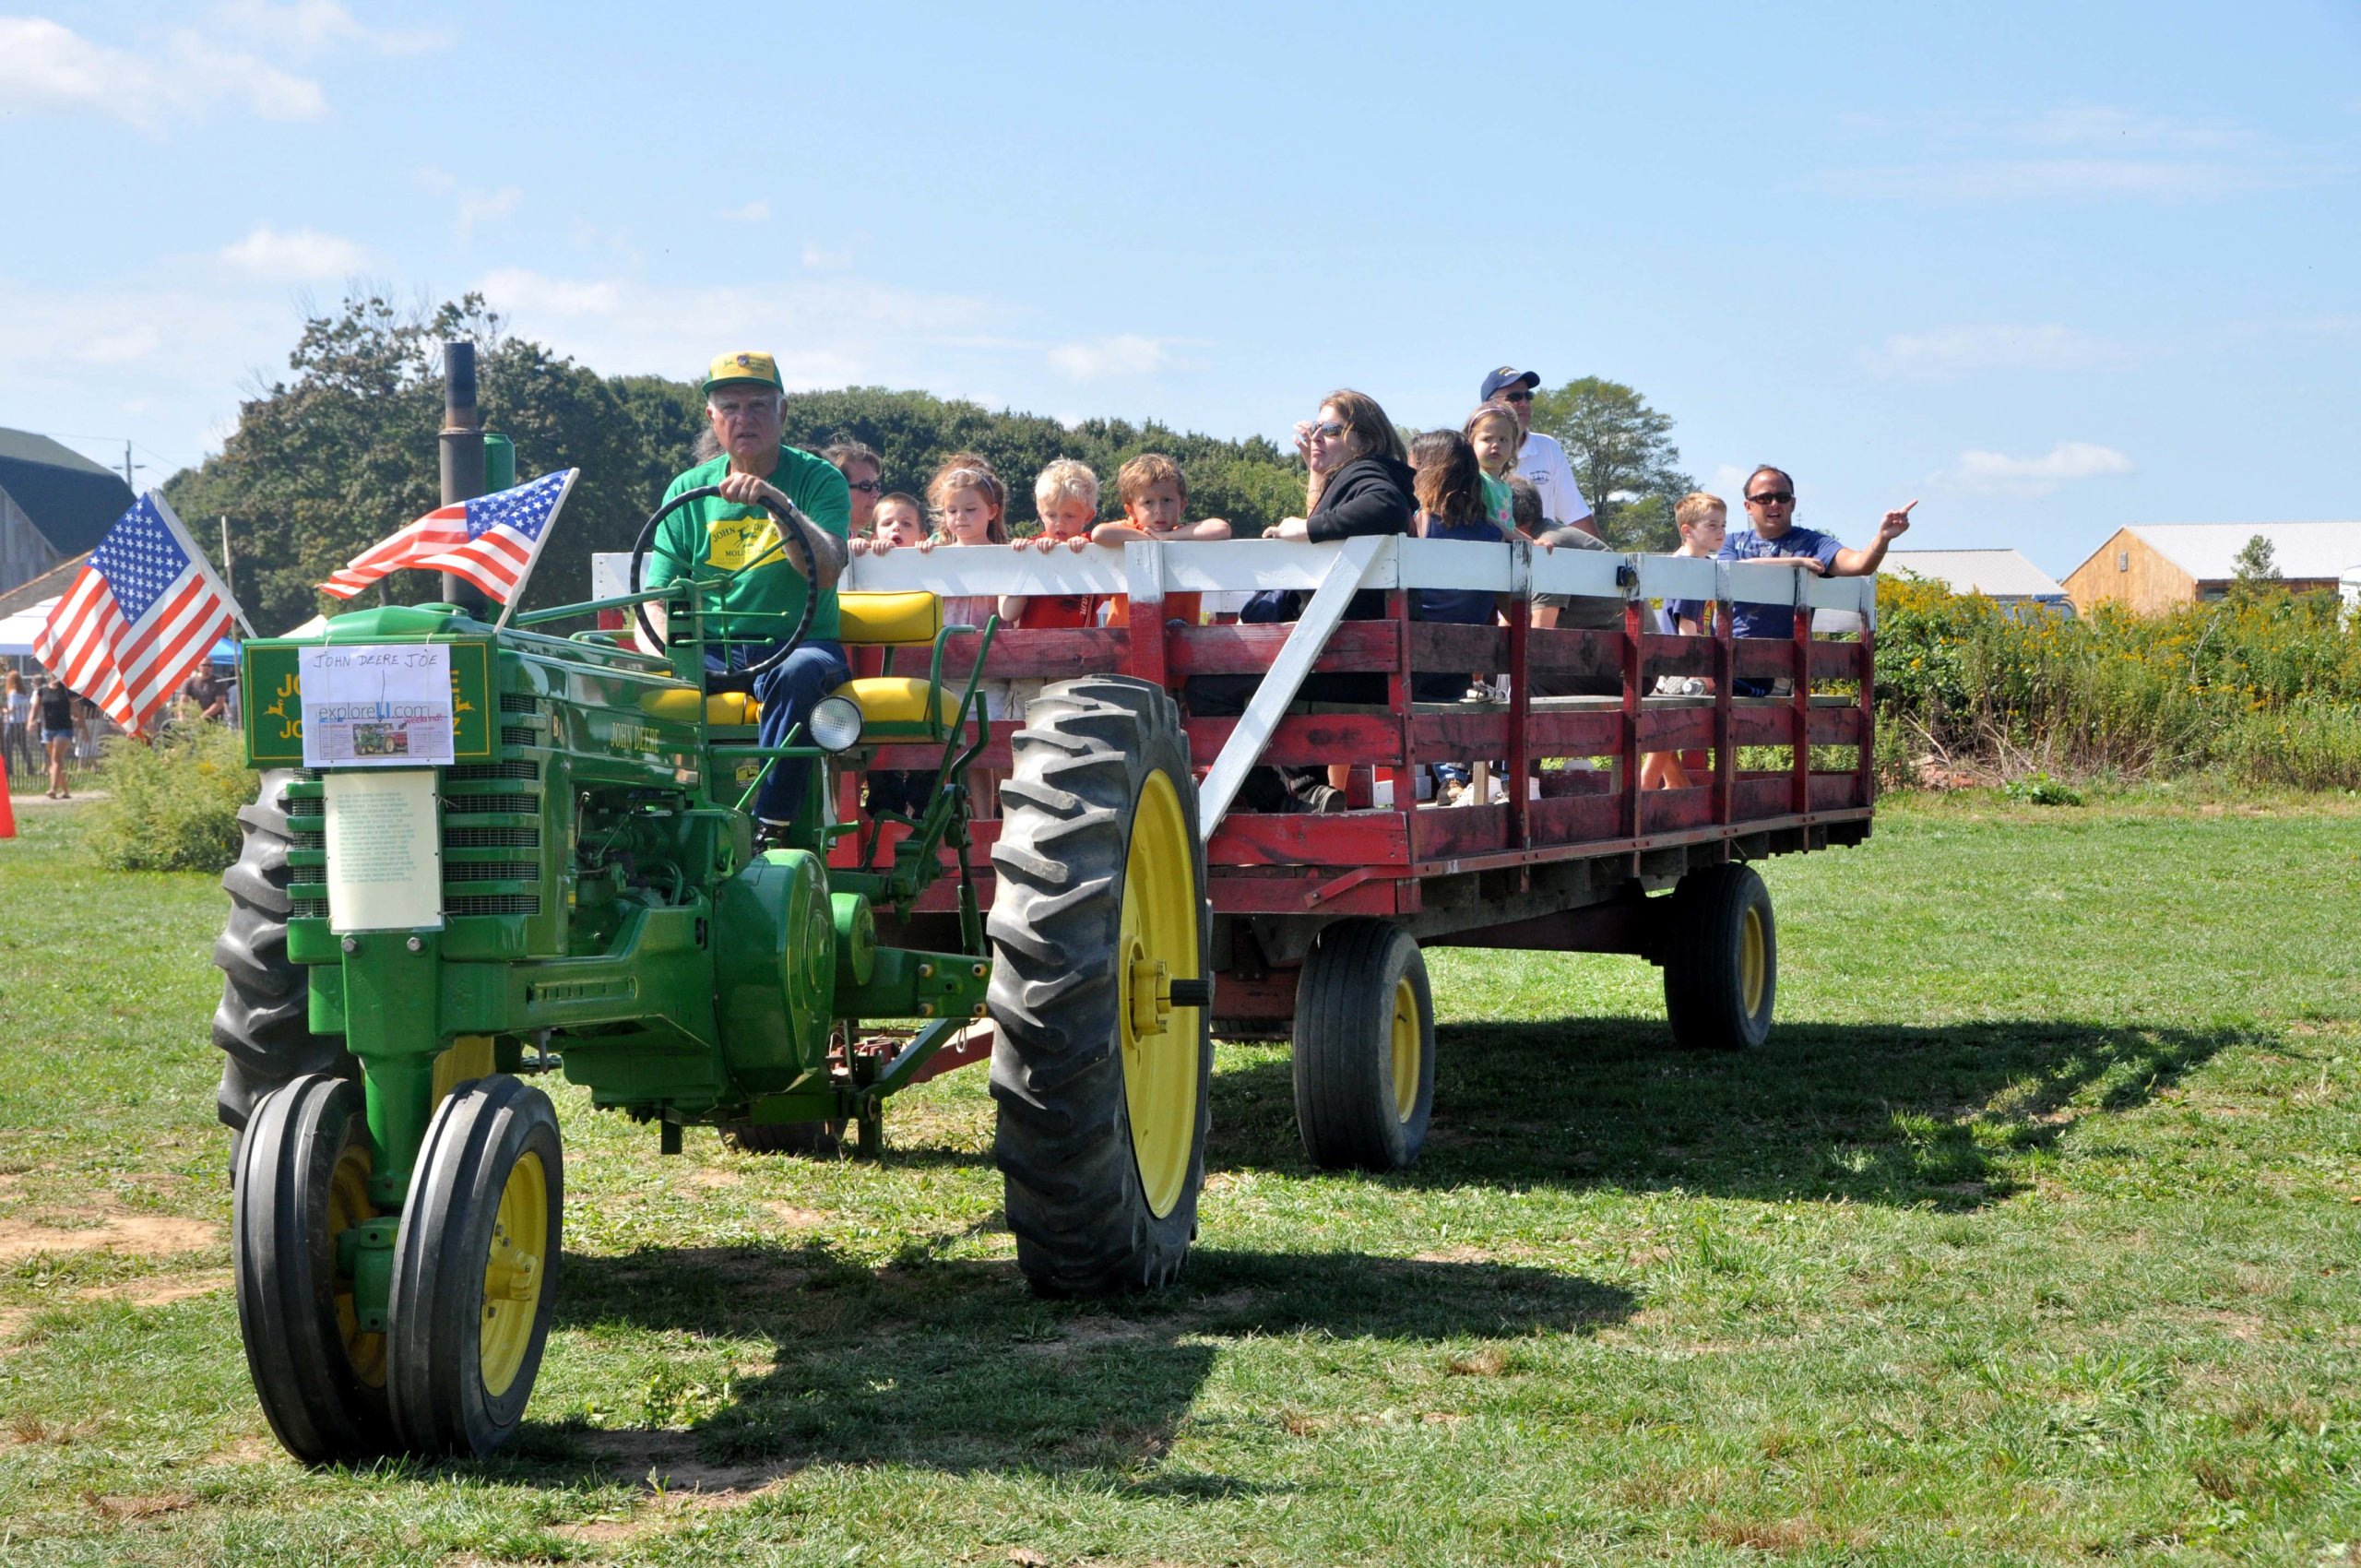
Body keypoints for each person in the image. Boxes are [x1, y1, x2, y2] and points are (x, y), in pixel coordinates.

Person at [643, 350, 852, 838]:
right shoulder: (686, 490)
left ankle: (770, 827)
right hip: (709, 650)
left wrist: (779, 506)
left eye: (759, 405)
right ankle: (659, 826)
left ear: (783, 413)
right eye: (730, 407)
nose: (745, 418)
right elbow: (655, 600)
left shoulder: (818, 480)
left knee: (796, 673)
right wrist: (662, 656)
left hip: (799, 643)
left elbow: (822, 568)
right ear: (712, 418)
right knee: (636, 686)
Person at [1197, 389, 1415, 814]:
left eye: (1330, 429)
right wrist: (1316, 484)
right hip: (1359, 659)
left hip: (1348, 665)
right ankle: (1309, 788)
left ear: (1364, 440)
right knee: (1258, 673)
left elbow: (1385, 506)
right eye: (1314, 428)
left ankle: (1280, 800)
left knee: (1208, 689)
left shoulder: (1367, 472)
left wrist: (1307, 528)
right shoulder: (1360, 474)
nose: (1317, 436)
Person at [1723, 465, 1914, 691]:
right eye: (1764, 498)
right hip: (1728, 655)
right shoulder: (1733, 542)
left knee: (1713, 683)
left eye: (1782, 497)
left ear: (1792, 503)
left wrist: (1882, 538)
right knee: (1708, 675)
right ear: (1748, 506)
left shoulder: (1815, 544)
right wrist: (1797, 562)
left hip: (1778, 667)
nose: (1774, 503)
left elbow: (1861, 564)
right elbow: (1731, 570)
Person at [1408, 432, 1513, 803]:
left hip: (1417, 654)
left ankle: (1451, 780)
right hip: (1465, 654)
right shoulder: (1491, 532)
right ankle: (1453, 779)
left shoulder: (1419, 523)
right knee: (1448, 690)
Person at [1640, 492, 1731, 791]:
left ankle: (1674, 785)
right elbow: (1686, 626)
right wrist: (1698, 670)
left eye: (1723, 526)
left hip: (1670, 661)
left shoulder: (1686, 564)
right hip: (1680, 663)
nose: (1721, 532)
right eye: (1712, 525)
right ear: (1687, 530)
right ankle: (1646, 786)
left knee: (1668, 730)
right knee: (1670, 729)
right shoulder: (1692, 570)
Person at [1094, 453, 1231, 631]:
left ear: (1182, 505)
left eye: (1167, 500)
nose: (1159, 510)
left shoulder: (1183, 532)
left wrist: (1168, 538)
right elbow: (1099, 533)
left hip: (1181, 641)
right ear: (1131, 510)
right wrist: (1149, 540)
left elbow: (1221, 528)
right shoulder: (1128, 528)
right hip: (1124, 641)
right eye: (1148, 502)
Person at [1478, 366, 1593, 532]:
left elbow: (1575, 514)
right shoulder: (1468, 454)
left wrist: (1606, 557)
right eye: (1515, 397)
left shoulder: (1548, 447)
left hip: (1542, 553)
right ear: (1489, 406)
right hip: (1489, 552)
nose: (1524, 402)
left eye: (1528, 396)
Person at [1001, 459, 1100, 636]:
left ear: (1088, 516)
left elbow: (1108, 595)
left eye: (1069, 516)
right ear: (1040, 512)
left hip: (1081, 650)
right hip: (1033, 647)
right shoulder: (1031, 547)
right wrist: (1027, 558)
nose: (1059, 523)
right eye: (1051, 515)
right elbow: (1008, 613)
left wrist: (1088, 551)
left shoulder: (1092, 548)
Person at [1463, 402, 1522, 534]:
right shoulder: (1475, 480)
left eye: (1503, 439)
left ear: (1513, 447)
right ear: (1470, 443)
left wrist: (1531, 541)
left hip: (1501, 550)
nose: (1495, 445)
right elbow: (1482, 518)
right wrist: (1513, 538)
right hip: (1483, 549)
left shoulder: (1504, 485)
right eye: (1487, 439)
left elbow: (1508, 524)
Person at [823, 440, 885, 540]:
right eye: (866, 486)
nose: (875, 494)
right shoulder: (804, 544)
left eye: (876, 486)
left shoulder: (881, 545)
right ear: (834, 491)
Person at [37, 676, 76, 799]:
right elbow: (35, 707)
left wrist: (83, 727)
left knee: (55, 758)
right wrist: (31, 721)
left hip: (64, 728)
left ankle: (53, 788)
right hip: (48, 729)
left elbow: (77, 708)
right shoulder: (43, 691)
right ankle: (66, 791)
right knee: (57, 761)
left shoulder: (67, 691)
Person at [851, 492, 924, 554]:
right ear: (874, 538)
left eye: (906, 524)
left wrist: (931, 549)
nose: (896, 527)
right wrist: (855, 547)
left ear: (922, 538)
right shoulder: (867, 557)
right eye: (887, 523)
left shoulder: (929, 559)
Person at [3, 671, 30, 783]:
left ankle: (9, 770)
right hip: (22, 722)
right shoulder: (24, 693)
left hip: (12, 723)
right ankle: (30, 767)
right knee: (23, 747)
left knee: (7, 748)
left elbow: (12, 709)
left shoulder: (13, 693)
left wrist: (4, 710)